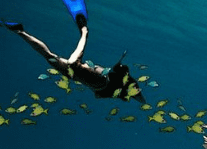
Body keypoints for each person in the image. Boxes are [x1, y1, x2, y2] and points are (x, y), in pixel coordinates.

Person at [1, 0, 145, 103]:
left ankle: (21, 32)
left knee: (49, 56)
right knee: (71, 62)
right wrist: (141, 100)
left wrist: (140, 100)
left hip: (76, 76)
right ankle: (84, 31)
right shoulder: (116, 86)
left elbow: (134, 96)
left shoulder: (117, 88)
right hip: (86, 77)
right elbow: (136, 96)